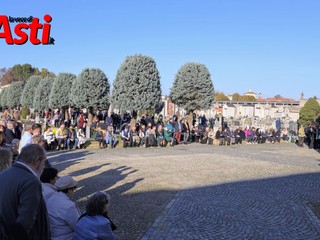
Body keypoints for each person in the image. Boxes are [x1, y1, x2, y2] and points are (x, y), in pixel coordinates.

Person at [0, 144, 50, 240]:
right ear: (37, 160)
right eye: (44, 162)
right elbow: (26, 220)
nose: (44, 166)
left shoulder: (3, 174)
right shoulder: (30, 181)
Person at [46, 175, 81, 240]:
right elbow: (77, 226)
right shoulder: (69, 206)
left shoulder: (50, 199)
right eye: (74, 188)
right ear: (69, 190)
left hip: (53, 235)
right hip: (67, 237)